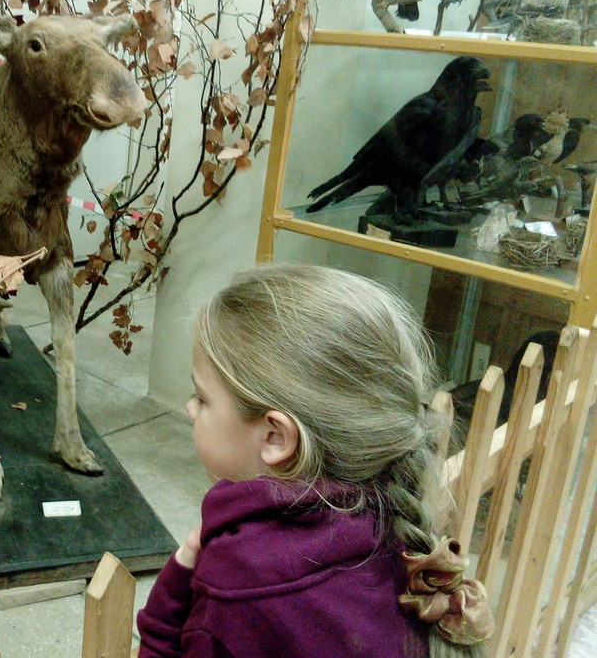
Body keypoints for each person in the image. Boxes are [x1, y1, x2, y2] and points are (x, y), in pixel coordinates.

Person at [136, 264, 493, 658]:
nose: (189, 408)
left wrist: (171, 593)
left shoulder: (240, 585)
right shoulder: (390, 519)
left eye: (202, 398)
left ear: (276, 437)